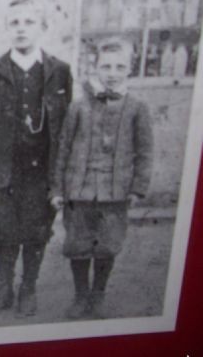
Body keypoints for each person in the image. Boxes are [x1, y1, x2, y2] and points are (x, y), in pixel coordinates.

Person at [0, 0, 72, 317]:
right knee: (3, 228)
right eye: (14, 22)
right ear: (6, 27)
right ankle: (4, 287)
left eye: (29, 22)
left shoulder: (59, 71)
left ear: (42, 27)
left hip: (40, 169)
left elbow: (64, 123)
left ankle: (28, 287)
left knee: (36, 229)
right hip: (2, 168)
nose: (21, 29)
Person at [51, 37, 153, 320]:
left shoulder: (136, 108)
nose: (112, 72)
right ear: (95, 68)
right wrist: (58, 188)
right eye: (106, 66)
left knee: (107, 245)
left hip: (115, 192)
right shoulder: (78, 107)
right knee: (78, 246)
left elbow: (145, 152)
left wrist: (137, 188)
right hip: (79, 191)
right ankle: (80, 296)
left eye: (119, 66)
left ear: (129, 70)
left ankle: (98, 295)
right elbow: (64, 149)